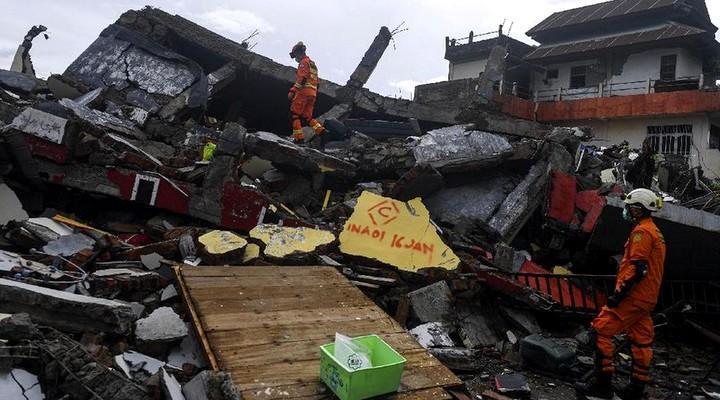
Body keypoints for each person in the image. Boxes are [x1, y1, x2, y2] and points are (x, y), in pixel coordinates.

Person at [576, 188, 666, 400]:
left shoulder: (642, 233)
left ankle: (602, 386)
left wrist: (620, 295)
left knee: (599, 332)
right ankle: (635, 390)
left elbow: (637, 268)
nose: (627, 210)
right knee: (642, 341)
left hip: (633, 296)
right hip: (646, 298)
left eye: (630, 206)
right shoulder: (656, 232)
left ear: (638, 209)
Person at [288, 41, 327, 144]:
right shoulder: (312, 64)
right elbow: (317, 82)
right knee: (307, 117)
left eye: (295, 55)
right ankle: (322, 132)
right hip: (313, 93)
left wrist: (293, 90)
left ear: (299, 53)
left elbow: (302, 78)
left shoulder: (303, 63)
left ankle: (299, 138)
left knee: (295, 114)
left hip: (304, 92)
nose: (295, 58)